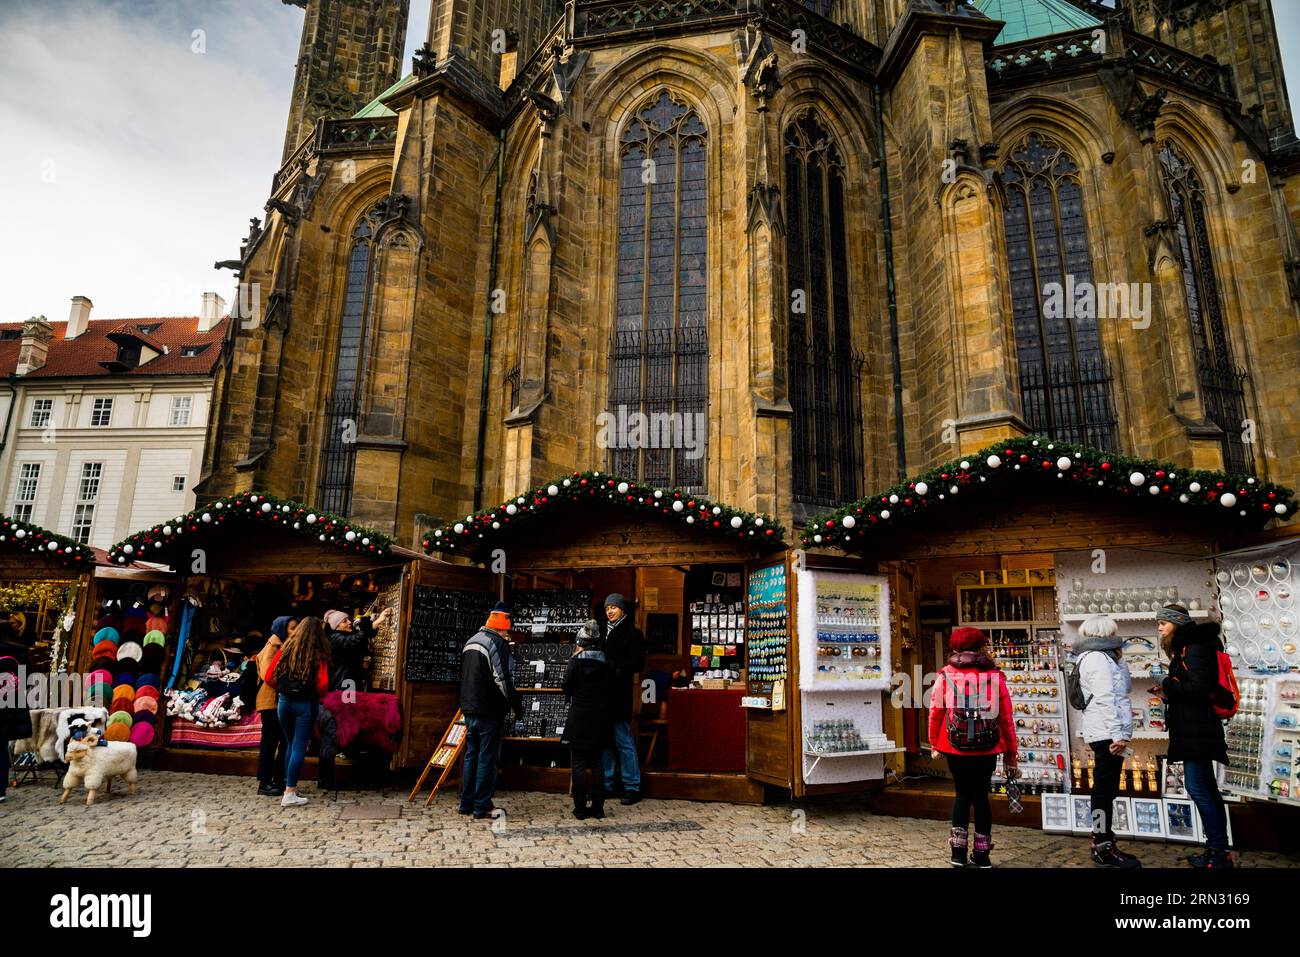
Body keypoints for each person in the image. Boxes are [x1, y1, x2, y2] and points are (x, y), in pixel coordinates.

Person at [928, 626, 1017, 867]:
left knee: (961, 795)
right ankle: (982, 855)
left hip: (955, 745)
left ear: (955, 649)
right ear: (981, 647)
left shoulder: (945, 675)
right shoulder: (995, 676)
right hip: (987, 745)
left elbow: (936, 711)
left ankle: (957, 853)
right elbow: (1006, 717)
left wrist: (934, 742)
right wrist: (1011, 752)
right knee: (980, 797)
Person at [1156, 604, 1233, 868]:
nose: (1159, 626)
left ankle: (1217, 853)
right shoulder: (1189, 646)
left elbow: (1199, 688)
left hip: (1197, 730)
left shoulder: (1195, 648)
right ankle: (1218, 851)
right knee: (1207, 789)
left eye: (1163, 622)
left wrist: (1168, 684)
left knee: (1198, 787)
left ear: (1176, 623)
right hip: (1195, 729)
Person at [1075, 615, 1141, 867]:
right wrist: (1117, 734)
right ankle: (1102, 843)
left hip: (1109, 732)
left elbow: (1120, 691)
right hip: (1106, 734)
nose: (1117, 634)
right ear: (1105, 633)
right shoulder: (1097, 659)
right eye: (1114, 631)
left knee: (1107, 789)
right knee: (1103, 791)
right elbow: (1105, 698)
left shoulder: (1106, 657)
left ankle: (1103, 840)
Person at [459, 601, 522, 819]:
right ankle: (481, 805)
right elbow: (502, 680)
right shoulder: (496, 644)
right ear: (503, 627)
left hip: (469, 707)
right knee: (486, 758)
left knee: (471, 756)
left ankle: (466, 803)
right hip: (489, 709)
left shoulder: (470, 641)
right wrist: (515, 704)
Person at [265, 617, 331, 808]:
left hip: (284, 703)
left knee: (290, 743)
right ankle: (290, 792)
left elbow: (269, 677)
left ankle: (289, 786)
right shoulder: (318, 654)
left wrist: (285, 690)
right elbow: (323, 685)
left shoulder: (285, 649)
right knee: (299, 746)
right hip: (305, 704)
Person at [563, 619, 616, 820]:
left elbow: (566, 688)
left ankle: (579, 808)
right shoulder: (608, 663)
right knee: (597, 762)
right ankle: (598, 807)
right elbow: (614, 689)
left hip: (579, 717)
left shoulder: (574, 662)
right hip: (600, 717)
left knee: (578, 763)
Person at [601, 593, 645, 805]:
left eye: (614, 607)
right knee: (606, 742)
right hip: (602, 696)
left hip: (619, 694)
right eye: (607, 607)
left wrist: (613, 665)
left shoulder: (633, 634)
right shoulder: (601, 632)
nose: (609, 611)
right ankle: (608, 784)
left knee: (624, 741)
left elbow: (637, 663)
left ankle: (632, 786)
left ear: (623, 610)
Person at [252, 616, 295, 797]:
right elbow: (268, 675)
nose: (295, 632)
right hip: (271, 701)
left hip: (281, 700)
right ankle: (265, 782)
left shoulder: (286, 645)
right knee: (270, 742)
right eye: (292, 628)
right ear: (282, 628)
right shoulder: (273, 646)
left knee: (285, 741)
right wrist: (291, 687)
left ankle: (279, 778)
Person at [0, 622, 33, 804]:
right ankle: (1, 788)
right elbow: (28, 678)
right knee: (2, 746)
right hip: (12, 702)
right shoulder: (20, 651)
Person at [324, 609, 366, 693]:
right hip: (344, 682)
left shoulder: (344, 635)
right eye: (344, 621)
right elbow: (355, 639)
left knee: (351, 704)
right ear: (337, 626)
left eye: (348, 619)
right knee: (347, 704)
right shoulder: (336, 638)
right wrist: (368, 627)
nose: (349, 622)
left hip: (348, 681)